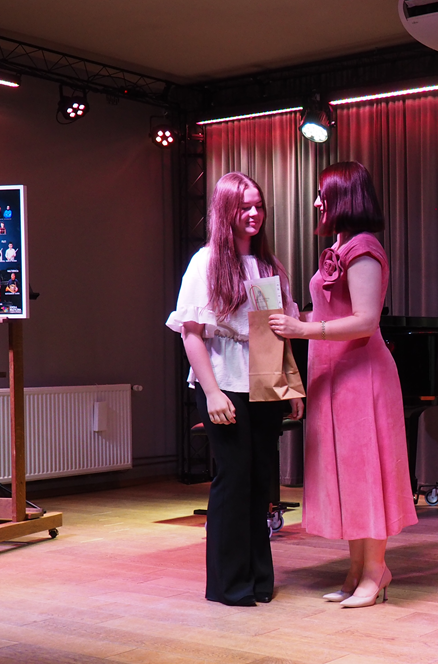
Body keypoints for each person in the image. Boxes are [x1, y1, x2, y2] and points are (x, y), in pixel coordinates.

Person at [269, 161, 417, 609]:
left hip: (361, 375)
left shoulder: (364, 248)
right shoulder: (340, 246)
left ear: (344, 198)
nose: (317, 202)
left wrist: (302, 329)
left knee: (365, 473)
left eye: (323, 194)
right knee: (349, 476)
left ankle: (375, 571)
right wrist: (292, 318)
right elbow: (329, 313)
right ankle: (357, 570)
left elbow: (365, 321)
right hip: (333, 373)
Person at [166, 172, 303, 607]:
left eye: (259, 205)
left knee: (261, 482)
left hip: (264, 382)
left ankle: (258, 579)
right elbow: (191, 334)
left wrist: (291, 387)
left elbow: (278, 334)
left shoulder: (268, 265)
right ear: (226, 210)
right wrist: (211, 392)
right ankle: (228, 584)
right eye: (244, 206)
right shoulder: (205, 262)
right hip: (224, 382)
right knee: (234, 478)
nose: (254, 214)